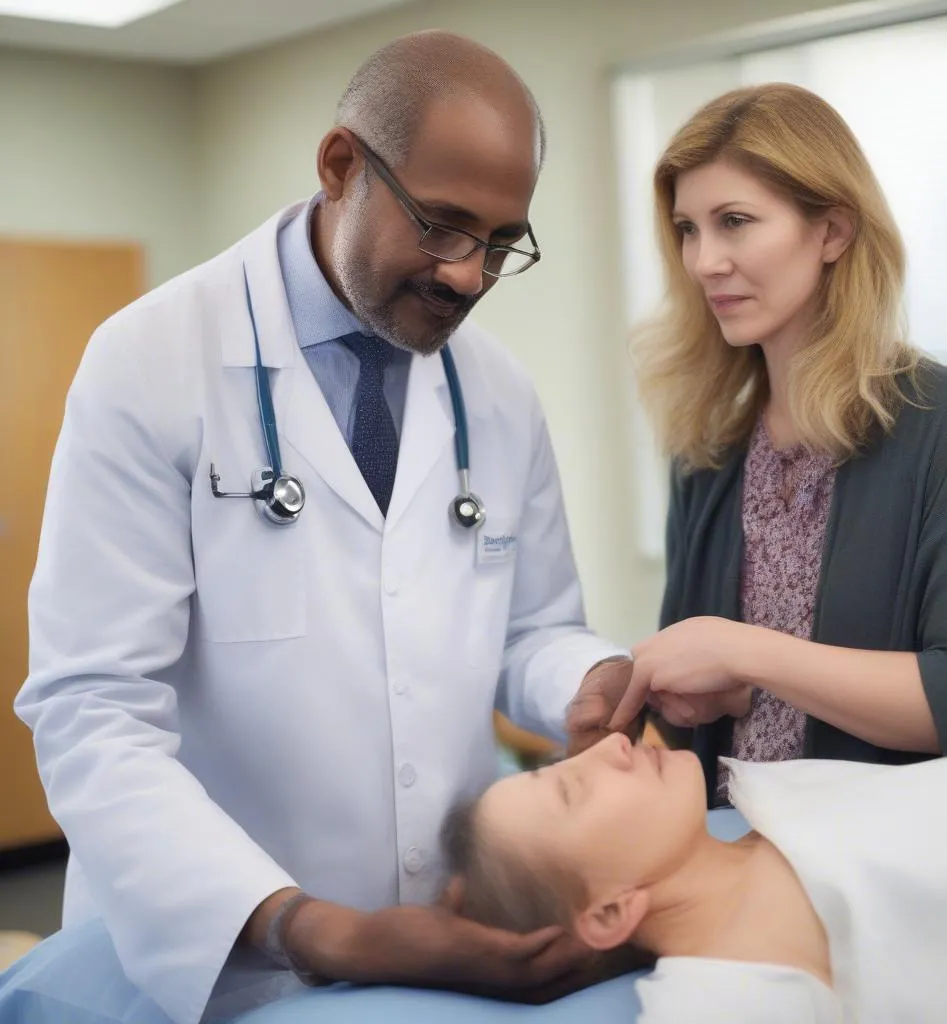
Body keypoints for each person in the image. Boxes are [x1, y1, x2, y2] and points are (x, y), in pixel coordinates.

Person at [11, 30, 641, 1024]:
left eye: (500, 241)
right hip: (213, 958)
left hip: (443, 939)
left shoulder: (498, 395)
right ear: (341, 165)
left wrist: (589, 680)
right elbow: (94, 706)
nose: (469, 276)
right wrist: (308, 924)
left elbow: (532, 629)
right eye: (442, 225)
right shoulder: (152, 360)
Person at [594, 83, 947, 802]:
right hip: (728, 864)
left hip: (878, 874)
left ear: (833, 232)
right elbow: (707, 714)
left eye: (734, 221)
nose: (703, 261)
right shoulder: (706, 443)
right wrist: (711, 694)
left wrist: (749, 652)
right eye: (688, 228)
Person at [443, 731, 947, 1022]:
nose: (613, 745)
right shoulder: (722, 997)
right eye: (575, 790)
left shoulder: (771, 792)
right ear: (609, 912)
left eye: (561, 764)